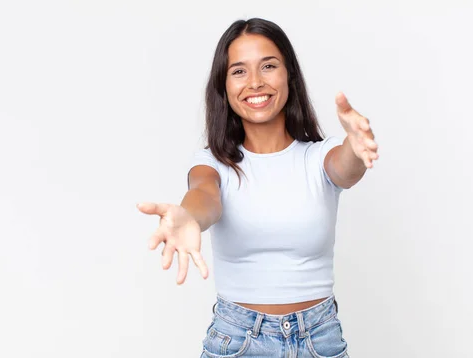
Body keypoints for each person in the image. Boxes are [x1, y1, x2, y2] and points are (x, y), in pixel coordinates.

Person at [137, 17, 378, 358]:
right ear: (223, 86)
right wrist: (188, 217)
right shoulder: (213, 163)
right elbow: (205, 195)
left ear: (289, 75)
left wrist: (356, 146)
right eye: (239, 71)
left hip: (319, 339)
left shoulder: (319, 156)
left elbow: (345, 168)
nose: (255, 82)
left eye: (268, 66)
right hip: (238, 340)